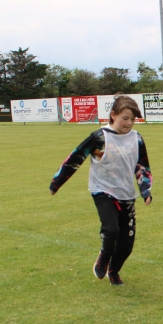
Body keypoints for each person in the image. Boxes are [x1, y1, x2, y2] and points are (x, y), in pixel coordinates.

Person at [49, 95, 153, 286]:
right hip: (102, 191)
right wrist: (56, 183)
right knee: (111, 229)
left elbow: (142, 167)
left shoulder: (137, 139)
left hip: (127, 195)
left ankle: (113, 270)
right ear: (113, 115)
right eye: (125, 118)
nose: (129, 123)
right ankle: (104, 257)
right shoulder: (99, 138)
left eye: (133, 119)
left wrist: (145, 191)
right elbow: (75, 158)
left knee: (126, 245)